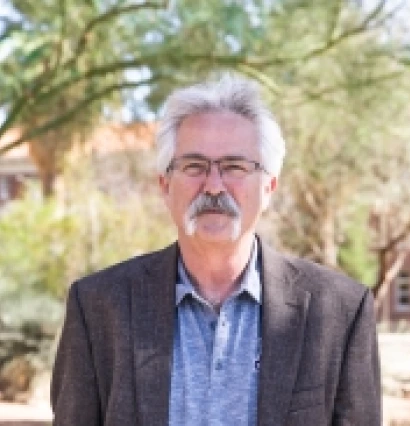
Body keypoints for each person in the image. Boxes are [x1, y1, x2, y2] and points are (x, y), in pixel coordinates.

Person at [51, 74, 381, 426]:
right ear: (165, 185)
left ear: (269, 186)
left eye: (234, 167)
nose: (213, 186)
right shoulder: (100, 306)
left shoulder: (340, 312)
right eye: (194, 166)